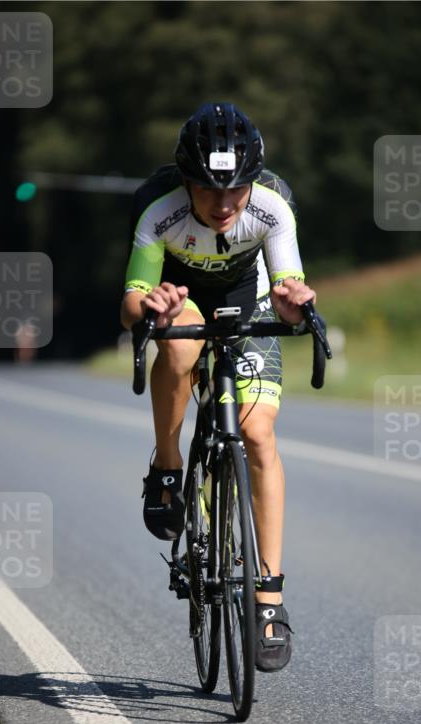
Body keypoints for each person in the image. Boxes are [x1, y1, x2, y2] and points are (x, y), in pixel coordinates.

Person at [121, 102, 316, 672]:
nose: (225, 204)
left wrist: (293, 304)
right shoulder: (159, 212)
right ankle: (166, 466)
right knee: (177, 343)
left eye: (237, 191)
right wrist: (150, 302)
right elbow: (131, 301)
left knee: (258, 434)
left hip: (247, 298)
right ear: (187, 182)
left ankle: (269, 602)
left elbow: (288, 285)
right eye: (210, 191)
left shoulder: (272, 206)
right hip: (180, 298)